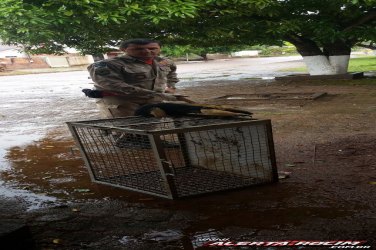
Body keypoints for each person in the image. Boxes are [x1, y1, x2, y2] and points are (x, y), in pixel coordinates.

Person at [87, 38, 179, 118]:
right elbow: (112, 84)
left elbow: (172, 74)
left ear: (159, 48)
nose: (147, 51)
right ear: (124, 49)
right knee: (127, 129)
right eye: (138, 49)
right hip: (123, 102)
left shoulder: (165, 62)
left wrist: (171, 87)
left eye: (152, 48)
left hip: (154, 100)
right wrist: (157, 94)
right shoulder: (107, 65)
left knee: (150, 126)